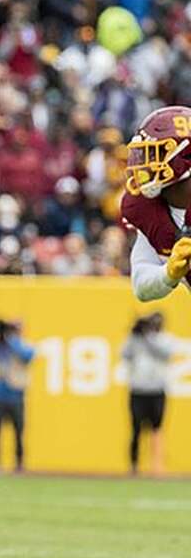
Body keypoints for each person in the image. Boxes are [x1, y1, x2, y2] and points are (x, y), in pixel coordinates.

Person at [120, 106, 191, 302]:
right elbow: (141, 285)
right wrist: (169, 273)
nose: (143, 164)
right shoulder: (149, 208)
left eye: (154, 154)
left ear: (185, 157)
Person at [121, 313, 173, 476]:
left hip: (157, 390)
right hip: (138, 390)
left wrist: (147, 337)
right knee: (135, 429)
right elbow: (124, 354)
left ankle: (157, 466)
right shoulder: (135, 340)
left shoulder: (164, 339)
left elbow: (164, 353)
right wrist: (134, 334)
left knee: (157, 428)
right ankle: (134, 466)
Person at [0, 319, 35, 472]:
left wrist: (11, 340)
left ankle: (19, 463)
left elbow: (28, 355)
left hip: (16, 395)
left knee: (18, 432)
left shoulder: (20, 345)